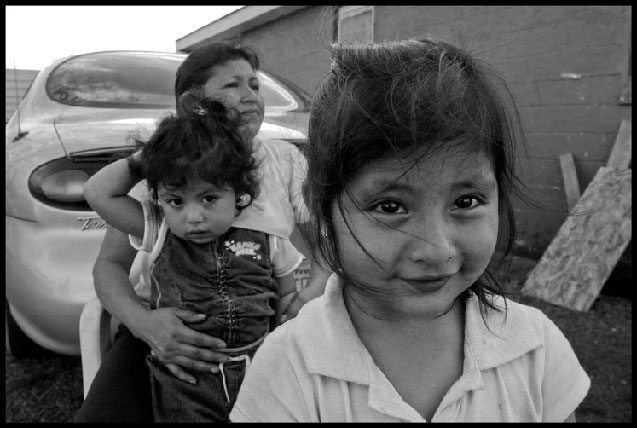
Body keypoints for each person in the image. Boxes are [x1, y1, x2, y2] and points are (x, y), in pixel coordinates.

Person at [230, 37, 591, 422]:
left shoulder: (535, 347)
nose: (437, 250)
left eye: (466, 201)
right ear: (321, 207)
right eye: (391, 207)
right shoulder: (287, 367)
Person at [74, 42, 329, 422]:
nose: (249, 98)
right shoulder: (168, 168)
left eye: (254, 86)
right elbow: (108, 266)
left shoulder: (284, 161)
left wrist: (306, 298)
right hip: (161, 332)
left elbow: (321, 252)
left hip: (259, 334)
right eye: (232, 86)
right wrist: (145, 326)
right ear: (193, 103)